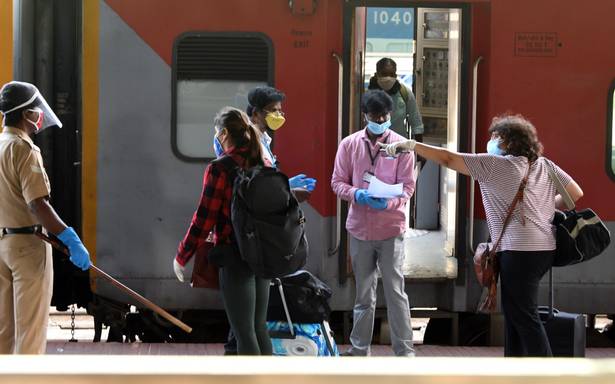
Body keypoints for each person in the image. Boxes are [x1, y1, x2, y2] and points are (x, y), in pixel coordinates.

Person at [381, 114, 584, 357]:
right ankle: (518, 370)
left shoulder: (495, 165)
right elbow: (575, 193)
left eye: (495, 137)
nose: (491, 141)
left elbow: (447, 158)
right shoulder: (545, 165)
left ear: (508, 142)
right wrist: (544, 208)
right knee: (514, 312)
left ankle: (547, 374)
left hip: (519, 253)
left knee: (524, 316)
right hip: (543, 251)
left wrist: (412, 145)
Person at [0, 81, 91, 354]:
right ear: (26, 114)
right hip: (28, 245)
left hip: (2, 244)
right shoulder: (24, 149)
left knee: (5, 330)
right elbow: (38, 204)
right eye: (35, 110)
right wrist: (69, 237)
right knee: (30, 330)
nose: (39, 115)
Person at [173, 106, 272, 355]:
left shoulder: (220, 168)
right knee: (259, 328)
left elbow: (204, 218)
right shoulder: (264, 161)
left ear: (225, 133)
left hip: (235, 254)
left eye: (218, 133)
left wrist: (182, 255)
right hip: (264, 253)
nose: (216, 138)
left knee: (244, 332)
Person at [331, 90, 415, 357]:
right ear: (364, 115)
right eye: (374, 115)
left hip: (391, 229)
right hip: (360, 229)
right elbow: (337, 182)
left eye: (384, 115)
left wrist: (388, 203)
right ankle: (359, 350)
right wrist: (356, 194)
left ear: (390, 115)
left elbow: (408, 188)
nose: (380, 120)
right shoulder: (349, 145)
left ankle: (404, 351)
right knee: (363, 294)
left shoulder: (402, 146)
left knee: (395, 291)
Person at [246, 86, 316, 200]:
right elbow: (253, 186)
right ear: (255, 114)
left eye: (279, 110)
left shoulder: (263, 139)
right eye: (273, 110)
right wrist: (288, 191)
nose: (278, 116)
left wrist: (285, 184)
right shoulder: (248, 142)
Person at [368, 57, 424, 141]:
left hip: (398, 147)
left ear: (395, 75)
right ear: (376, 75)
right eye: (384, 74)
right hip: (373, 147)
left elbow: (416, 124)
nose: (388, 78)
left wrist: (420, 152)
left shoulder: (405, 93)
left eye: (391, 74)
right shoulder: (367, 96)